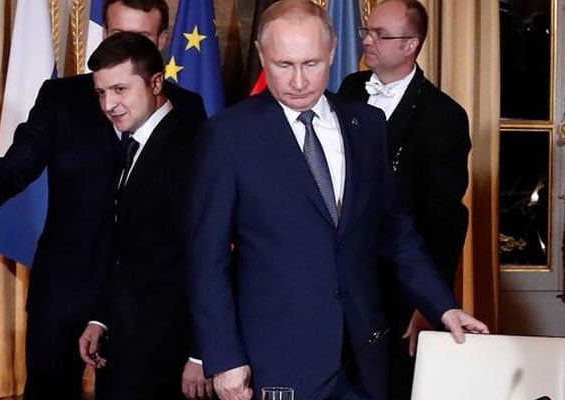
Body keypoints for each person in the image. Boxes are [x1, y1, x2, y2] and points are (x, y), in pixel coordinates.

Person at [185, 1, 488, 400]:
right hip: (274, 361)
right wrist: (223, 358)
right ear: (262, 55)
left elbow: (396, 233)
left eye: (310, 64)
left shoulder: (366, 124)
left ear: (332, 53)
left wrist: (443, 307)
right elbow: (207, 260)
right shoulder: (227, 135)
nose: (297, 80)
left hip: (364, 357)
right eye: (282, 65)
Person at [0, 0, 206, 398]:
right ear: (102, 35)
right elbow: (20, 159)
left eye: (139, 38)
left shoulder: (186, 107)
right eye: (115, 35)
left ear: (161, 41)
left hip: (140, 302)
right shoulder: (62, 98)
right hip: (66, 288)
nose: (124, 46)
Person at [337, 1, 471, 398]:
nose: (367, 40)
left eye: (381, 34)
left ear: (411, 45)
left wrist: (430, 303)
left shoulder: (443, 116)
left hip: (397, 287)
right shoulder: (348, 89)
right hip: (341, 280)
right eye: (367, 30)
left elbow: (446, 219)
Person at [76, 32, 211, 400]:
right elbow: (127, 249)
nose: (109, 104)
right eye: (101, 92)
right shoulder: (137, 140)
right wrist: (100, 317)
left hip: (169, 354)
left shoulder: (188, 147)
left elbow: (207, 256)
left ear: (155, 83)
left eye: (120, 90)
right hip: (126, 346)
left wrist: (201, 354)